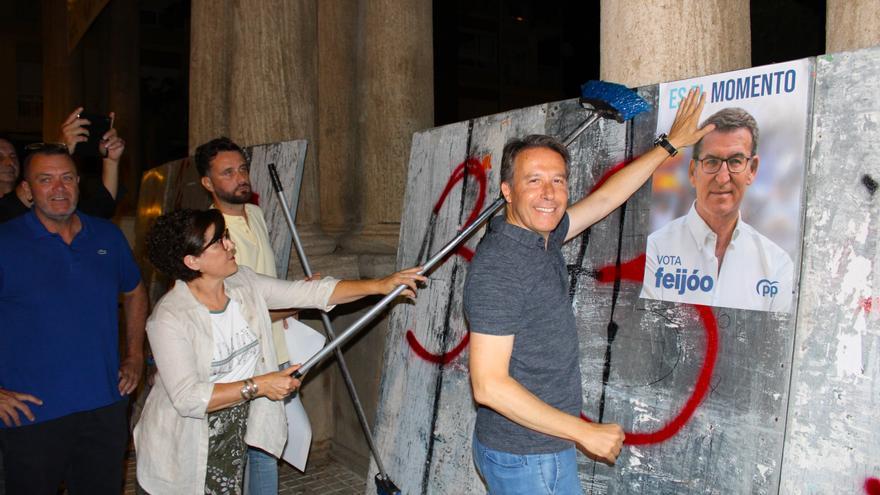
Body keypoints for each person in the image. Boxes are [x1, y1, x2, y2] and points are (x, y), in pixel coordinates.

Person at [463, 89, 712, 494]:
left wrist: (668, 145)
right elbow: (488, 385)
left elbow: (606, 199)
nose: (549, 193)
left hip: (533, 447)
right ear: (507, 191)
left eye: (558, 180)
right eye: (534, 181)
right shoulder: (500, 268)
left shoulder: (538, 236)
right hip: (530, 456)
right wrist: (584, 432)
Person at [134, 209, 425, 494]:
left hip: (229, 437)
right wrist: (261, 385)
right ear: (193, 260)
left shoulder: (242, 283)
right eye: (220, 241)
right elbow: (188, 398)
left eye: (227, 236)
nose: (231, 245)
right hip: (181, 441)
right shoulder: (169, 319)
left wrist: (381, 284)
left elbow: (309, 293)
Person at [0, 144, 147, 494]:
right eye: (46, 180)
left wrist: (135, 355)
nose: (59, 188)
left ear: (79, 183)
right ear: (27, 189)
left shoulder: (106, 236)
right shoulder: (6, 242)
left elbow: (136, 291)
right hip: (31, 414)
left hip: (104, 405)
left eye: (67, 178)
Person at [195, 136, 298, 493]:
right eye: (227, 172)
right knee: (259, 448)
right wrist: (296, 303)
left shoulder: (255, 213)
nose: (240, 177)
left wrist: (291, 298)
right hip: (244, 359)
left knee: (268, 442)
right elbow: (233, 308)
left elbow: (262, 282)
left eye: (242, 168)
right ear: (207, 183)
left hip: (277, 346)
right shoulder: (212, 233)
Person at [640, 107, 794, 312]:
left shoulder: (777, 265)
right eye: (711, 162)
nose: (722, 178)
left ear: (753, 170)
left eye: (735, 162)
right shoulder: (655, 250)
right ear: (693, 172)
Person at [0, 108, 124, 223]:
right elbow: (8, 208)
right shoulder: (13, 213)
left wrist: (111, 160)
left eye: (12, 156)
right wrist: (60, 149)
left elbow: (100, 210)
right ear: (27, 188)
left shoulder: (47, 208)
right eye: (46, 179)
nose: (9, 162)